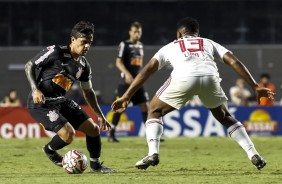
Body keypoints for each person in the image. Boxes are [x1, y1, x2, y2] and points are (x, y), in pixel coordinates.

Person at [111, 17, 275, 170]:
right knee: (225, 117)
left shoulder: (171, 46)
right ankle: (253, 154)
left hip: (183, 78)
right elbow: (234, 61)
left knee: (154, 110)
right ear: (197, 34)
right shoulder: (208, 43)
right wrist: (255, 86)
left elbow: (147, 70)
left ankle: (153, 153)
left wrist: (126, 96)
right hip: (210, 77)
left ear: (178, 34)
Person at [25, 21, 113, 173]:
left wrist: (100, 115)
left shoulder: (84, 65)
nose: (87, 46)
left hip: (61, 100)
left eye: (89, 43)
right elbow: (29, 65)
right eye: (83, 42)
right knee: (68, 135)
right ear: (73, 39)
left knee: (93, 129)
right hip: (41, 103)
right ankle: (49, 150)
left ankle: (96, 166)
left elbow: (88, 91)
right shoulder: (56, 51)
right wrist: (35, 89)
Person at [108, 21, 150, 142]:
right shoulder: (124, 44)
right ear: (130, 32)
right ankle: (111, 134)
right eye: (135, 31)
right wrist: (126, 73)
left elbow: (139, 65)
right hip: (126, 82)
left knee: (145, 106)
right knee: (121, 107)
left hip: (138, 82)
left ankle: (149, 134)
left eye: (139, 32)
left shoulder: (141, 45)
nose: (137, 34)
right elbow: (118, 61)